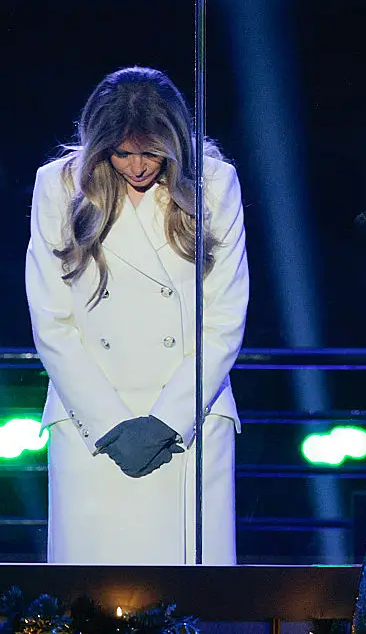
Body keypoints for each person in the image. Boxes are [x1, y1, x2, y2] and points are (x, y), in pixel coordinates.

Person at [25, 66, 248, 565]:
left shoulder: (214, 184)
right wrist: (107, 423)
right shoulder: (58, 186)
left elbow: (225, 318)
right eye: (122, 153)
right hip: (90, 427)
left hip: (189, 421)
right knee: (89, 601)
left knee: (193, 602)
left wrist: (169, 420)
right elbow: (51, 320)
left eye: (150, 152)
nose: (137, 166)